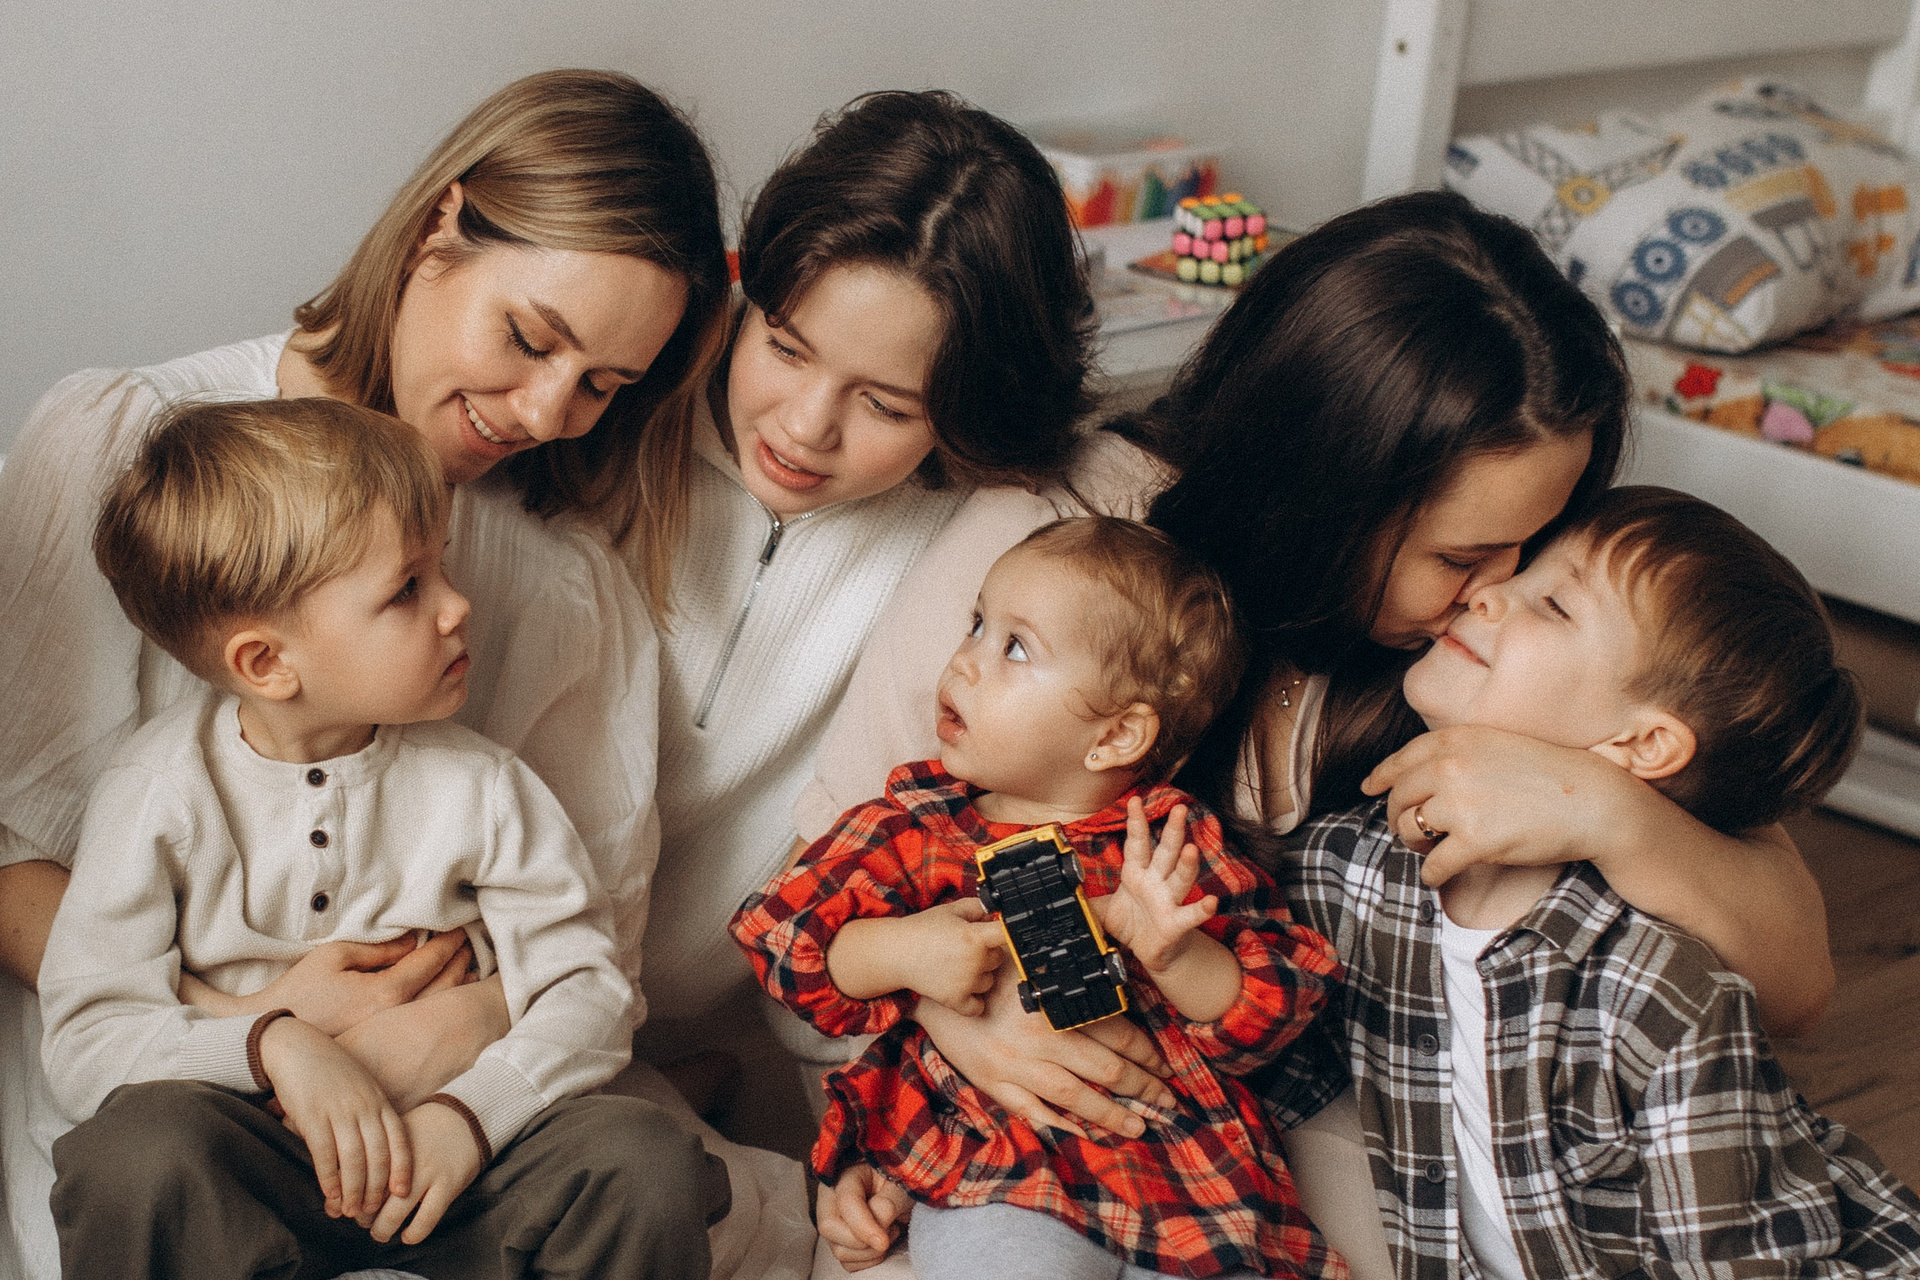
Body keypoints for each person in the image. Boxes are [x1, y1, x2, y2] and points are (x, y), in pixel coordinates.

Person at [794, 191, 1836, 1268]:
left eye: (1531, 548)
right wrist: (958, 1017)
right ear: (1326, 495)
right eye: (1461, 557)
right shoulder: (1055, 550)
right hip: (976, 1113)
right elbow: (825, 890)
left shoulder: (1500, 642)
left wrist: (1612, 812)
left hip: (1256, 1123)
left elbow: (1797, 981)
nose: (1498, 588)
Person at [0, 69, 729, 1279]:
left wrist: (459, 1054)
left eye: (604, 384)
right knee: (145, 1167)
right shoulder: (129, 453)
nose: (548, 411)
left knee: (643, 1160)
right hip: (196, 1102)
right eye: (530, 337)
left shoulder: (564, 591)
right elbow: (14, 856)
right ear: (441, 225)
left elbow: (594, 952)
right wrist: (272, 1029)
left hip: (465, 1115)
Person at [43, 398, 722, 1280]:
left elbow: (589, 988)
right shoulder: (156, 793)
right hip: (258, 1160)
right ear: (267, 663)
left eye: (442, 567)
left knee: (644, 1158)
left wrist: (469, 1117)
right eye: (408, 589)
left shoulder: (483, 785)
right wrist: (273, 1045)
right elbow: (88, 1037)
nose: (456, 606)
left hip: (463, 1162)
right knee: (129, 1159)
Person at [1270, 484, 1920, 1279]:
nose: (1484, 593)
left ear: (1642, 744)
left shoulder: (1654, 990)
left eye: (1552, 604)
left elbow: (1735, 1259)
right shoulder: (1344, 866)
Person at [734, 518, 1341, 1280]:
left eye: (1015, 648)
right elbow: (780, 935)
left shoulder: (1168, 846)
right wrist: (903, 951)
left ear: (1116, 737)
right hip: (996, 1176)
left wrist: (1178, 955)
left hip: (1184, 1186)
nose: (966, 660)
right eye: (976, 624)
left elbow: (1279, 1013)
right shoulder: (913, 828)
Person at [630, 89, 1107, 1047]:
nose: (806, 427)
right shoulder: (616, 416)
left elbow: (1013, 820)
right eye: (783, 347)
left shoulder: (989, 542)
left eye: (885, 405)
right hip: (515, 984)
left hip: (766, 1014)